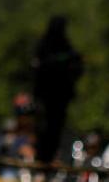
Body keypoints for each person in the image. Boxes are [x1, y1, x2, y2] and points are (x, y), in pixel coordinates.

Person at [32, 15, 83, 163]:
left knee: (56, 127)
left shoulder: (66, 45)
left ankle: (49, 156)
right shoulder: (44, 44)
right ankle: (41, 156)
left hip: (60, 97)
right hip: (45, 95)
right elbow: (41, 65)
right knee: (44, 127)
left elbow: (75, 64)